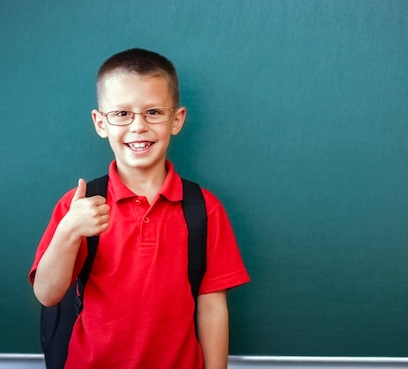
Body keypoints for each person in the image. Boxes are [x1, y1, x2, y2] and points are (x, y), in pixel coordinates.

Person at [29, 48, 250, 369]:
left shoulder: (204, 209)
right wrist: (69, 230)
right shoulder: (77, 205)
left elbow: (212, 305)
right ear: (100, 123)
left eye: (154, 112)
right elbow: (47, 294)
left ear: (177, 120)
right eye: (122, 114)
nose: (138, 126)